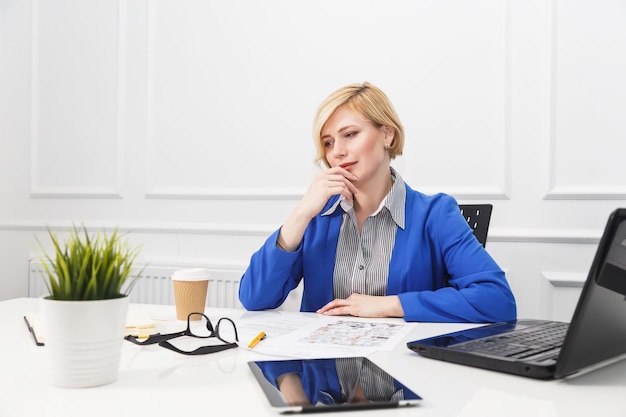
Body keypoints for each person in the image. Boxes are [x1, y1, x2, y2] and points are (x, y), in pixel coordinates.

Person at [238, 81, 516, 323]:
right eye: (328, 142)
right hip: (324, 375)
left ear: (387, 134)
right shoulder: (316, 217)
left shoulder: (436, 214)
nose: (338, 152)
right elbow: (254, 298)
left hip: (403, 373)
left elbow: (498, 300)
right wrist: (300, 214)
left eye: (350, 134)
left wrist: (389, 305)